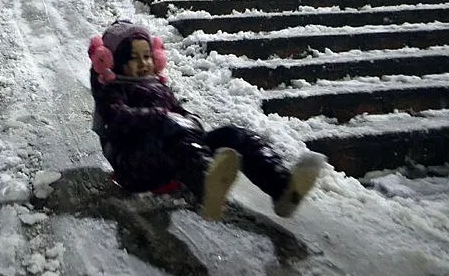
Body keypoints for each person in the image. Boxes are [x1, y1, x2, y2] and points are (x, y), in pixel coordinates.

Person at [88, 20, 324, 220]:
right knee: (173, 128)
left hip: (176, 154)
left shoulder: (157, 86)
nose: (143, 63)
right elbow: (115, 117)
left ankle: (282, 187)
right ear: (112, 61)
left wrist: (189, 119)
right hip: (135, 164)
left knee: (232, 135)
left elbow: (177, 111)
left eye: (147, 56)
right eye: (133, 58)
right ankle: (206, 186)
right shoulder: (113, 90)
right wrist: (162, 118)